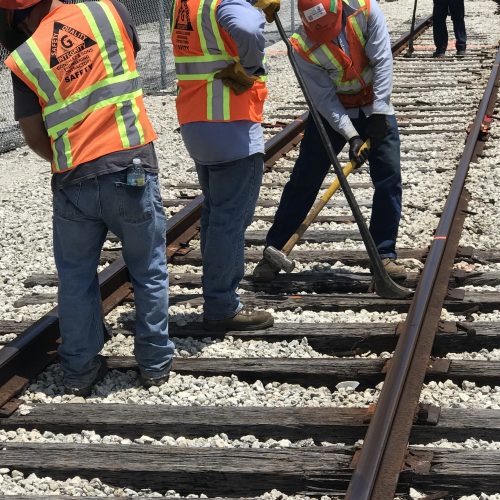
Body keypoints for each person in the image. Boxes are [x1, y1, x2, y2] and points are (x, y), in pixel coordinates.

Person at [0, 0, 174, 395]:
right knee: (148, 269)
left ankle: (78, 370)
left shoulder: (23, 58)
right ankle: (155, 364)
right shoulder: (109, 12)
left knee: (76, 279)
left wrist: (65, 158)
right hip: (130, 165)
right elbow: (124, 61)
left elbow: (32, 134)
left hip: (73, 178)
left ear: (14, 15)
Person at [253, 0, 406, 282]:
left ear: (339, 9)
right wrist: (351, 134)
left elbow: (382, 60)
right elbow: (323, 98)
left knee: (388, 178)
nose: (323, 33)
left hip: (375, 105)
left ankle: (384, 255)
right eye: (317, 29)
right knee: (304, 180)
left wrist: (380, 112)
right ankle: (274, 251)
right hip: (333, 113)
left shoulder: (365, 11)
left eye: (328, 26)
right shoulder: (300, 45)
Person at [171, 0, 279, 331]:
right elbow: (245, 28)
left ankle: (218, 296)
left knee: (217, 216)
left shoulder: (186, 3)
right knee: (230, 220)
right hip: (230, 123)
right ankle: (222, 306)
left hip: (197, 120)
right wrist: (251, 65)